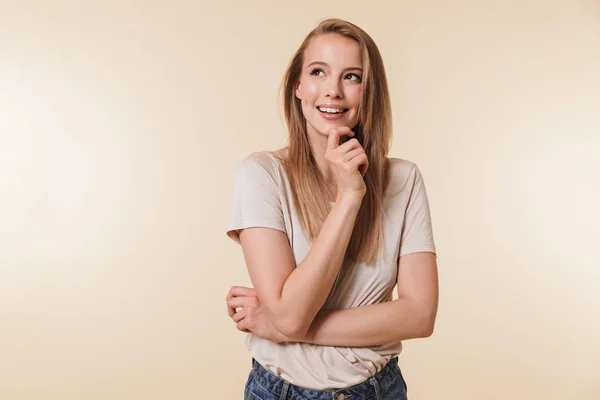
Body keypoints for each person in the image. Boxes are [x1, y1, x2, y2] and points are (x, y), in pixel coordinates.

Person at [225, 17, 439, 400]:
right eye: (318, 72)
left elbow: (420, 316)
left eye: (352, 77)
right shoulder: (262, 175)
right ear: (298, 86)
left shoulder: (403, 180)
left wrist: (288, 328)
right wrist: (349, 198)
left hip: (379, 390)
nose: (333, 91)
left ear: (369, 92)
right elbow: (290, 313)